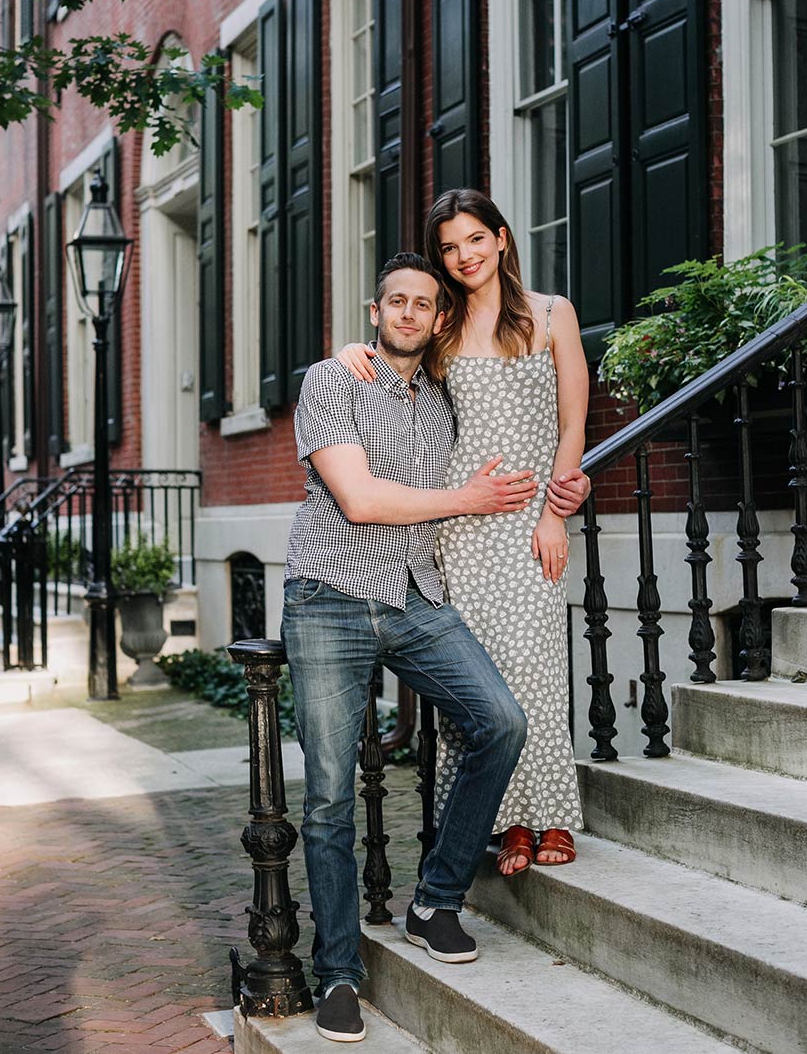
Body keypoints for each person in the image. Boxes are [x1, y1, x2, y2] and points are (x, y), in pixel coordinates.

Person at [283, 251, 533, 1044]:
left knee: (501, 722)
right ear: (375, 310)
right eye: (397, 301)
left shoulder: (444, 395)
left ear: (437, 318)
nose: (410, 313)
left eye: (424, 303)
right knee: (328, 797)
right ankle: (339, 975)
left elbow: (520, 401)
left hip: (419, 597)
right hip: (330, 596)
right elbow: (356, 499)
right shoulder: (332, 381)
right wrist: (464, 499)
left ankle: (434, 903)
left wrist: (567, 487)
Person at [337, 190, 591, 879]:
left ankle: (552, 816)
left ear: (502, 239)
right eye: (449, 246)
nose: (463, 256)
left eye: (475, 239)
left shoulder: (551, 314)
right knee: (483, 685)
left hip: (530, 523)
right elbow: (388, 358)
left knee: (535, 665)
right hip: (459, 530)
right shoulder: (441, 327)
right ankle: (504, 822)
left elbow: (573, 423)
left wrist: (554, 510)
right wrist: (348, 352)